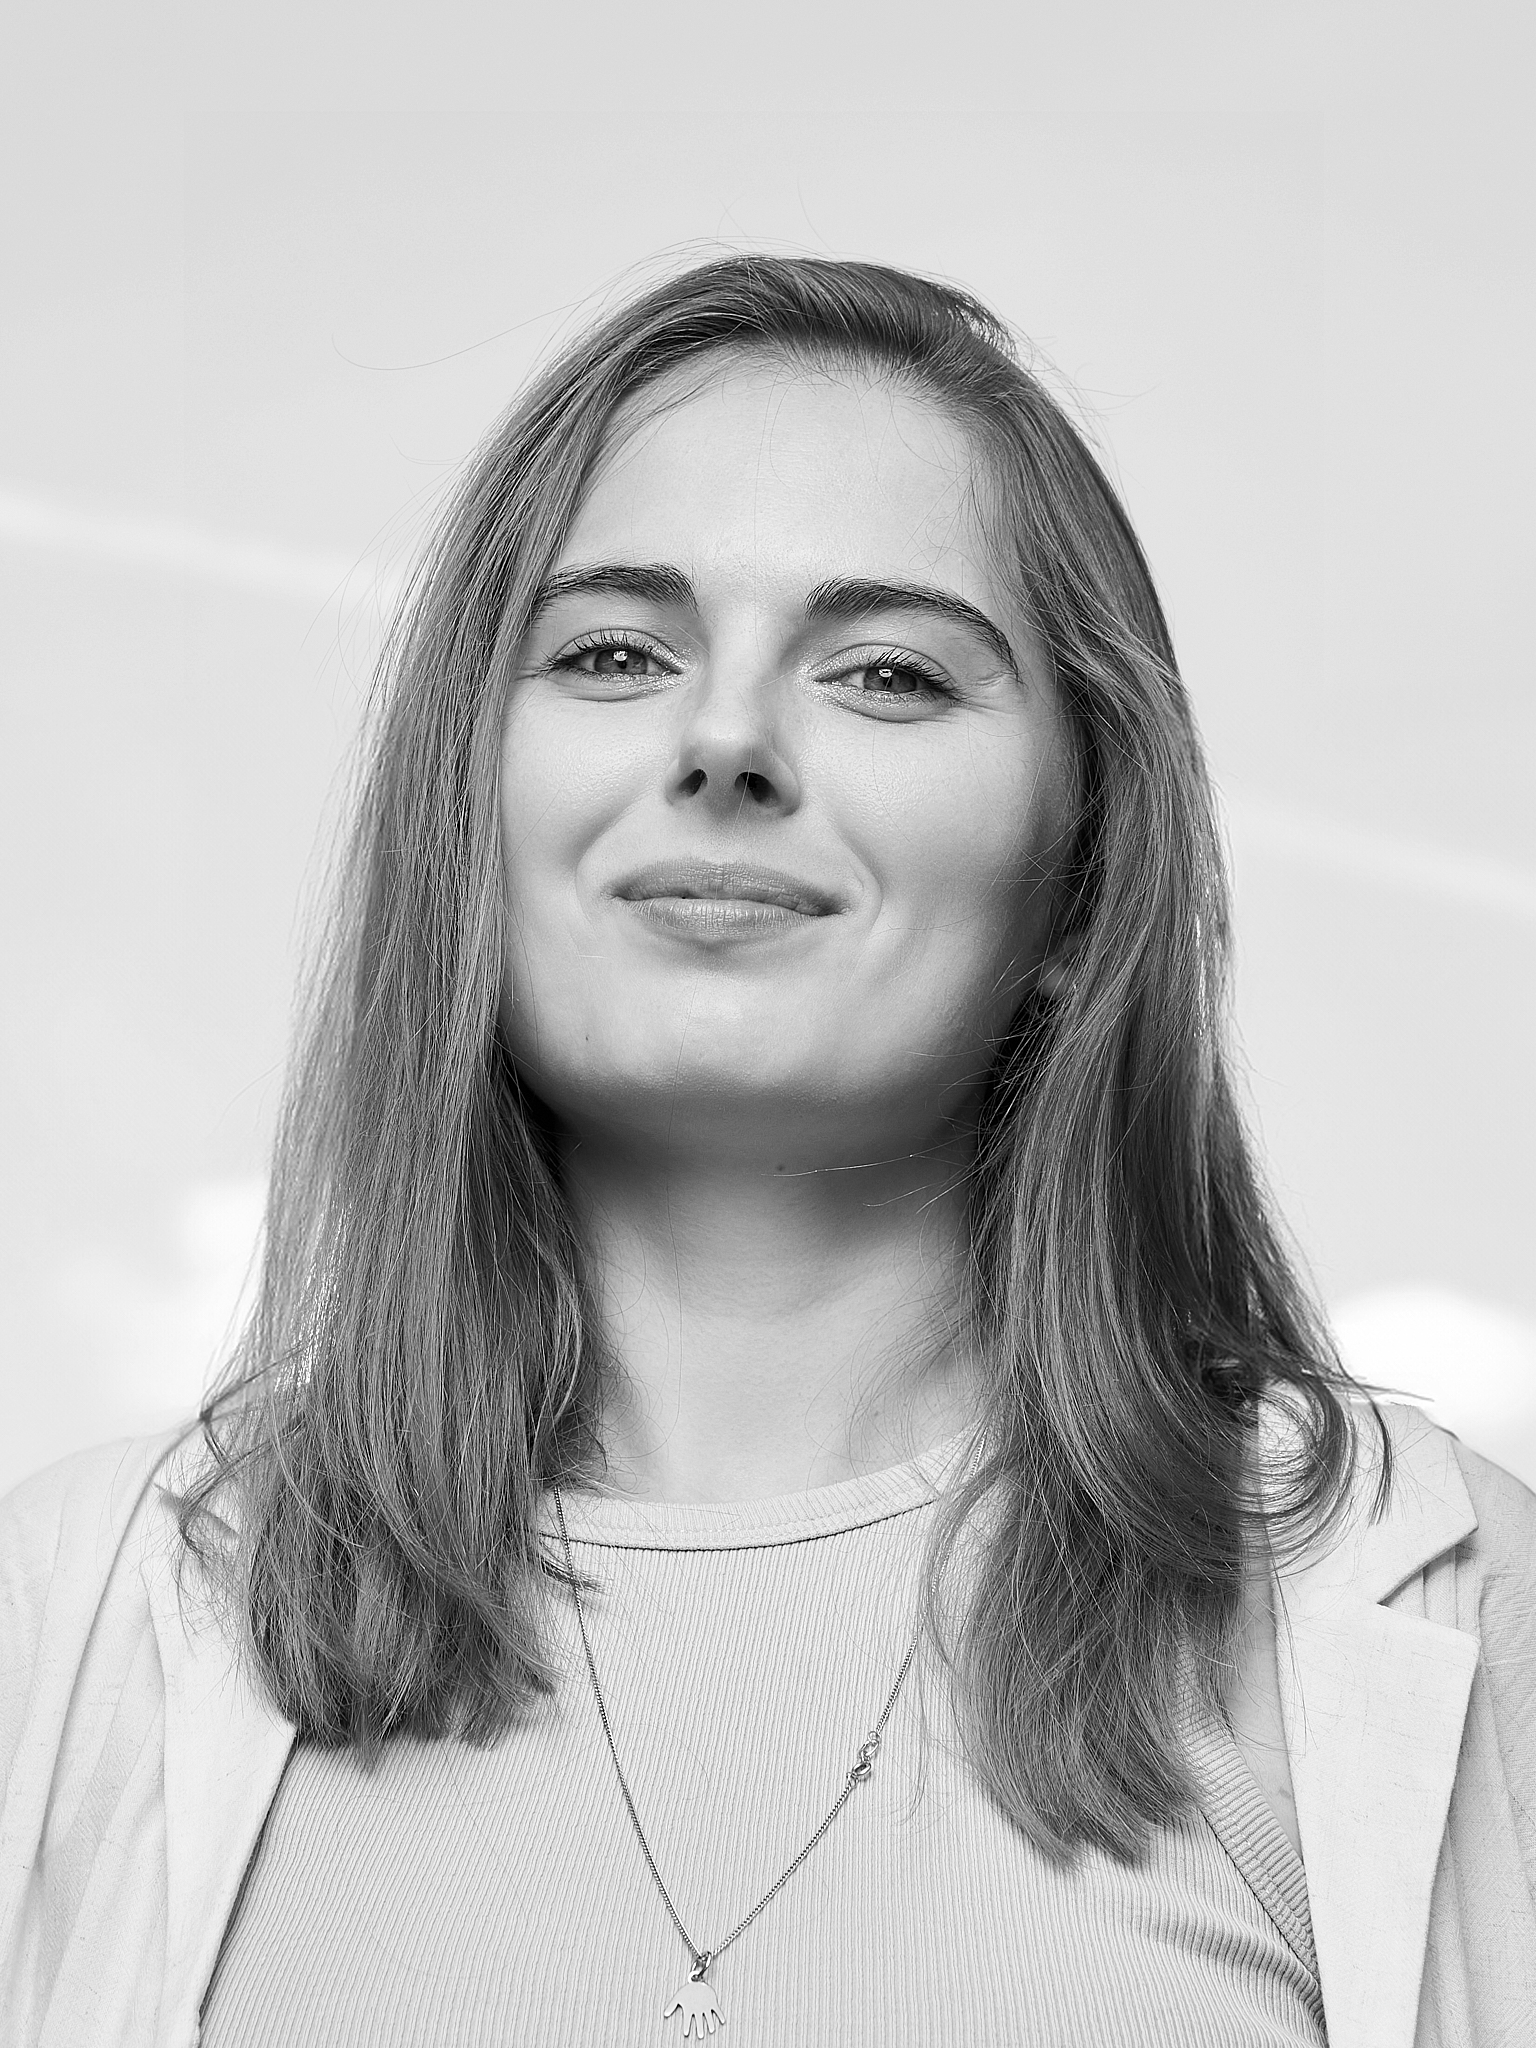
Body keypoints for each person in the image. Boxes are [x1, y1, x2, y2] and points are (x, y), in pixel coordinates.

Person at [2, 255, 1532, 2048]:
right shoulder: (72, 1620)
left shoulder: (1447, 1613)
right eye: (612, 654)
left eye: (888, 674)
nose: (725, 741)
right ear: (465, 811)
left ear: (1085, 867)